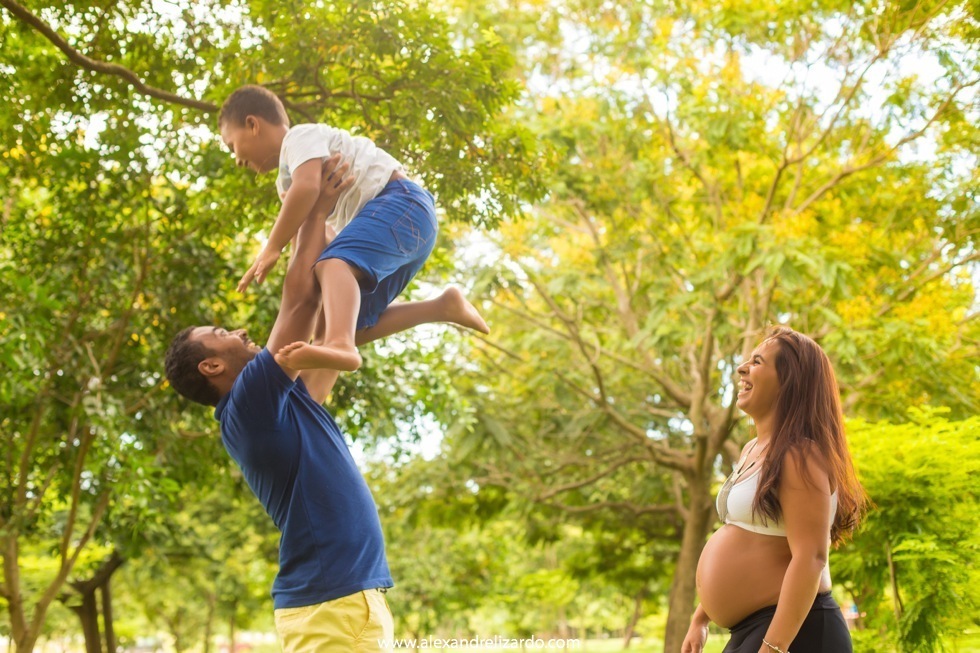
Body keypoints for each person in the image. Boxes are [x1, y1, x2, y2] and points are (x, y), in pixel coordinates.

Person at [165, 158, 414, 652]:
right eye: (220, 334)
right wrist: (315, 209)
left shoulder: (278, 409)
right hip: (335, 606)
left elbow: (328, 333)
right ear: (211, 368)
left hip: (338, 603)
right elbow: (298, 303)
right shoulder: (249, 404)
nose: (236, 331)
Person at [218, 84, 488, 373]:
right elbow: (318, 236)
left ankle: (340, 345)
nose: (236, 160)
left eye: (232, 145)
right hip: (400, 229)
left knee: (334, 266)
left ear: (252, 124)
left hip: (401, 204)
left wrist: (273, 247)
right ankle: (441, 307)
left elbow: (308, 188)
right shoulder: (285, 183)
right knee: (352, 321)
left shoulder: (299, 138)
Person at [681, 327, 868, 653]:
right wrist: (701, 617)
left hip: (798, 632)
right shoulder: (752, 448)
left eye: (756, 362)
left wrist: (773, 647)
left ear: (788, 382)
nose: (742, 369)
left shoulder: (801, 455)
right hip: (756, 628)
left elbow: (811, 557)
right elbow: (742, 534)